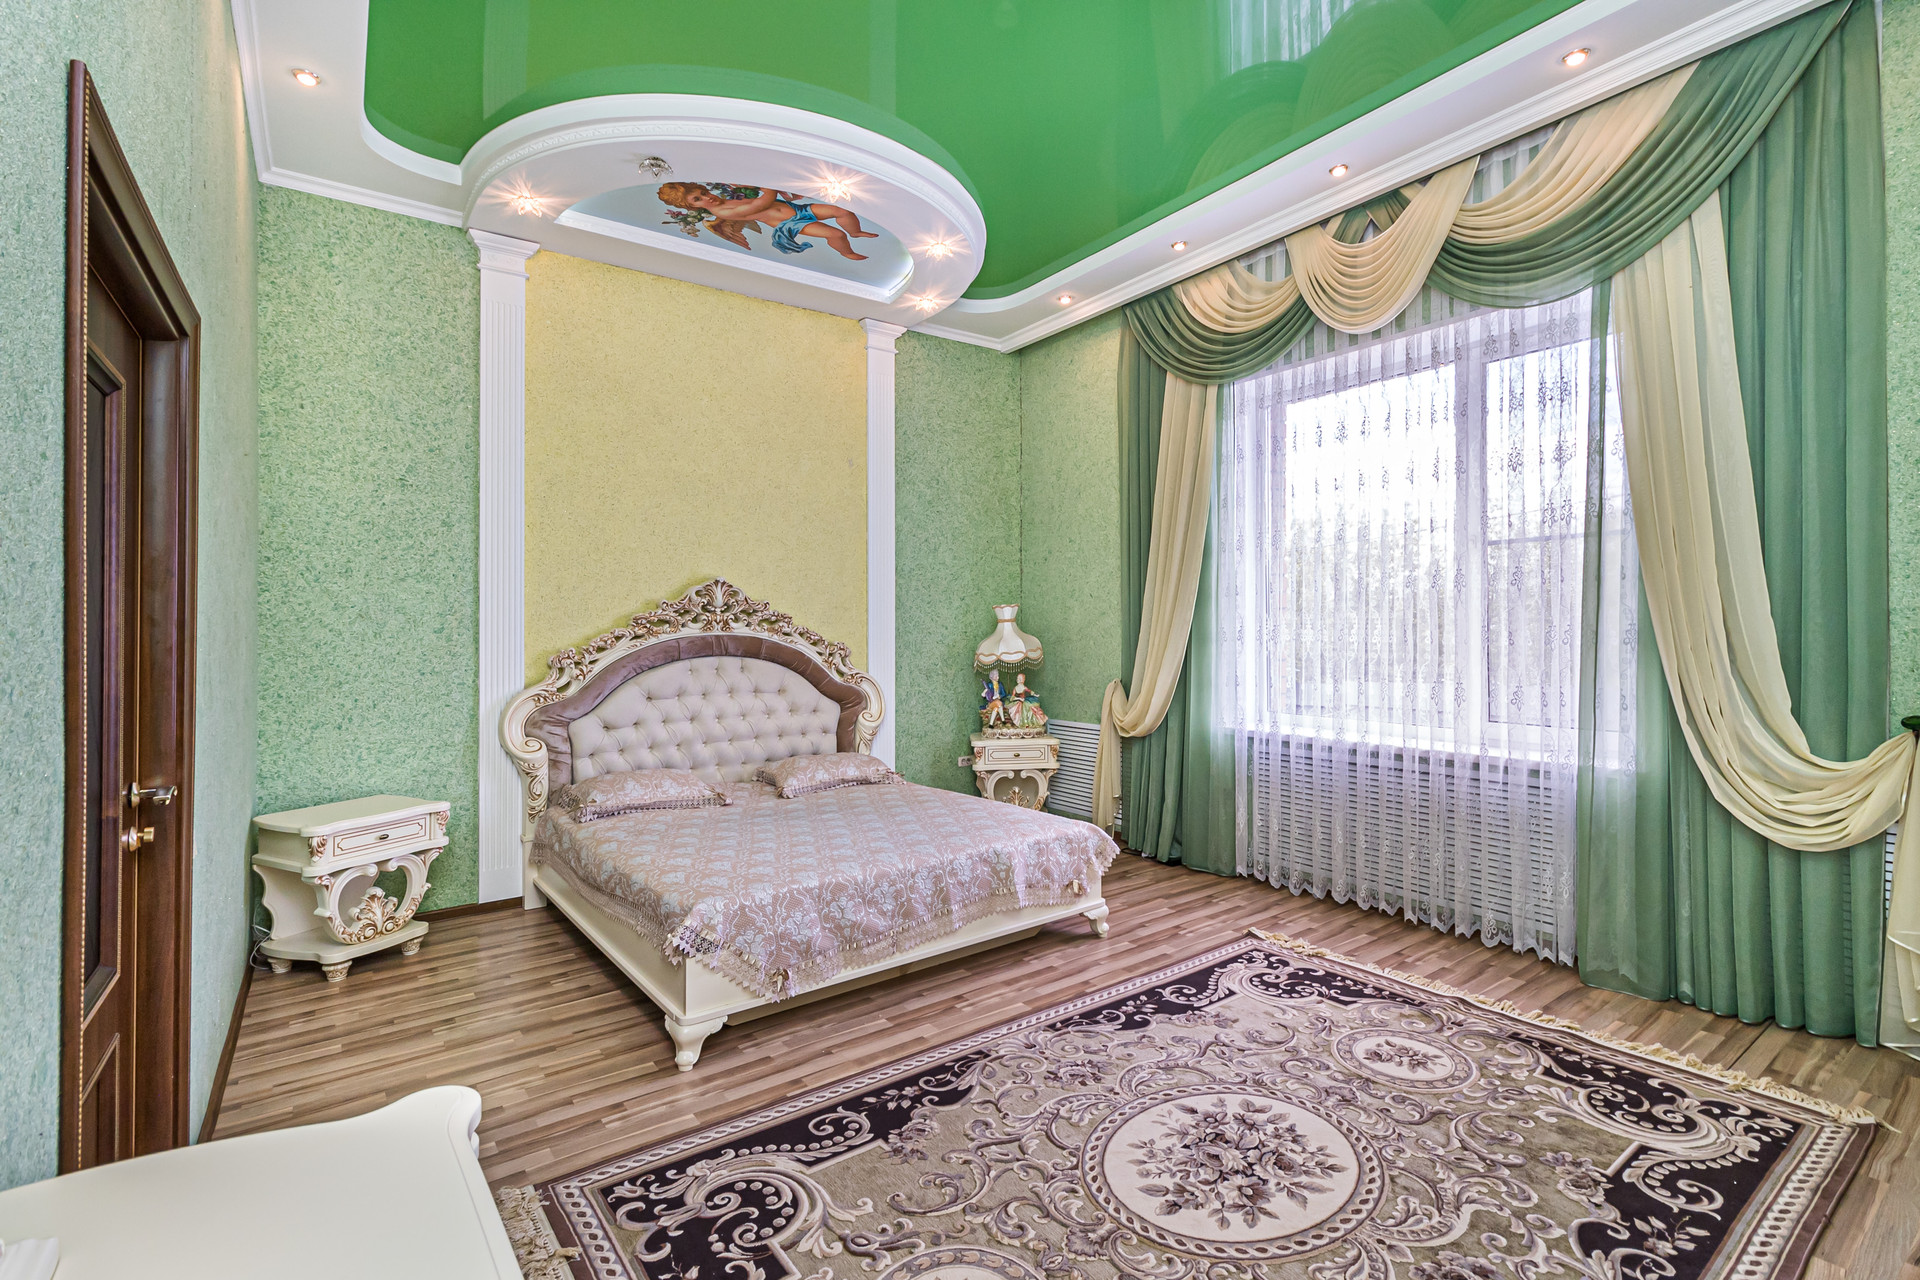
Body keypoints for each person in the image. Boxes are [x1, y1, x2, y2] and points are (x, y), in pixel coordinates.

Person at [657, 182, 879, 261]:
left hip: (797, 209)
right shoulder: (725, 211)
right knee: (836, 234)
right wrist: (766, 184)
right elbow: (762, 204)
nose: (707, 197)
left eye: (703, 192)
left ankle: (856, 232)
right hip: (790, 223)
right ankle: (846, 253)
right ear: (692, 207)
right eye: (698, 199)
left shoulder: (725, 198)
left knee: (842, 211)